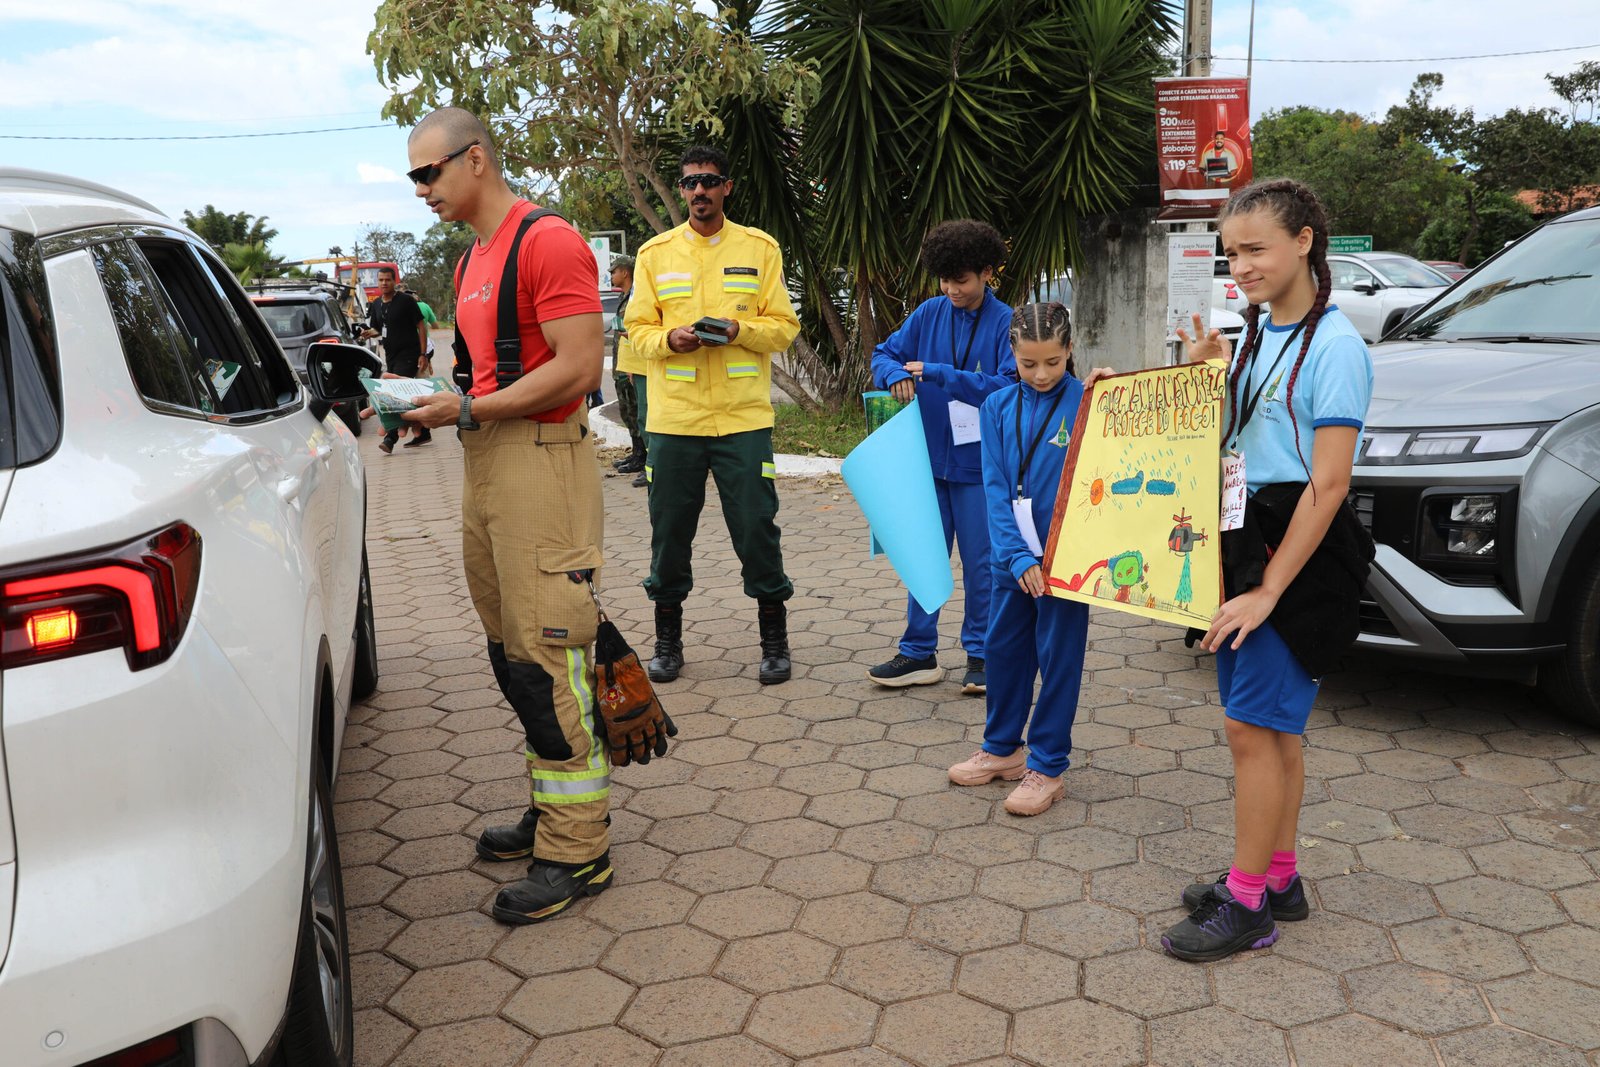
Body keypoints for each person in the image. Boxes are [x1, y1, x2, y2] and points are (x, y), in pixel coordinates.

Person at [399, 107, 614, 924]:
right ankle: (552, 806)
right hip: (488, 462)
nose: (422, 189)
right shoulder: (471, 259)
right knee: (509, 651)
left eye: (430, 172)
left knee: (548, 649)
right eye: (414, 177)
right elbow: (480, 374)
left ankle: (579, 847)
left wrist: (468, 410)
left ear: (476, 158)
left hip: (541, 462)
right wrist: (443, 406)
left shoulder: (546, 241)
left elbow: (580, 367)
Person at [1161, 178, 1374, 962]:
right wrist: (1208, 370)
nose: (1240, 265)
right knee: (1271, 727)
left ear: (1305, 242)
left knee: (1251, 728)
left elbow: (1329, 483)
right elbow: (1241, 442)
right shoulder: (1256, 332)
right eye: (1231, 252)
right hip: (1249, 536)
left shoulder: (1338, 348)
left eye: (1254, 249)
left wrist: (1269, 589)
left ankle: (1248, 904)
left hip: (1300, 557)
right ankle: (1277, 875)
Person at [625, 145, 802, 686]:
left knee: (756, 530)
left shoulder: (760, 249)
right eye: (689, 183)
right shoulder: (655, 254)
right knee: (670, 534)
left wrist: (739, 331)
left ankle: (774, 640)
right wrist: (670, 339)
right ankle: (668, 641)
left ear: (727, 187)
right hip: (675, 422)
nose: (699, 191)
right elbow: (636, 330)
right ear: (681, 191)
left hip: (743, 421)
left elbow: (785, 326)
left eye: (709, 181)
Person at [945, 304, 1110, 816]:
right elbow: (994, 485)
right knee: (1003, 653)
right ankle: (1002, 750)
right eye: (1028, 364)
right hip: (1011, 559)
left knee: (1059, 662)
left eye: (1054, 363)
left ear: (1070, 354)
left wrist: (1114, 396)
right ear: (1011, 356)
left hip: (1067, 561)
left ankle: (1048, 766)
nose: (1041, 375)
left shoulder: (1088, 400)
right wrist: (1015, 556)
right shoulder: (994, 406)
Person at [867, 220, 1016, 695]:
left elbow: (1012, 387)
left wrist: (940, 374)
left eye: (962, 280)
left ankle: (982, 656)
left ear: (988, 273)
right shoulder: (929, 312)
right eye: (945, 279)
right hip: (928, 464)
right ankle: (918, 653)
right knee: (923, 557)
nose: (952, 289)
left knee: (983, 565)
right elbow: (882, 354)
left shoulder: (1007, 321)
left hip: (980, 469)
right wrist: (893, 375)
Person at [362, 267, 430, 452]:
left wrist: (423, 354)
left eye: (388, 280)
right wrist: (369, 333)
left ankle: (390, 438)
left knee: (396, 393)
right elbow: (378, 328)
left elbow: (421, 325)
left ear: (394, 281)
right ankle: (423, 432)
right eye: (381, 280)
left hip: (408, 354)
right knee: (401, 392)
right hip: (390, 355)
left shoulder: (406, 301)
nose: (384, 283)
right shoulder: (376, 304)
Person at [607, 257, 649, 487]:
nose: (611, 276)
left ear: (625, 272)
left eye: (614, 272)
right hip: (623, 363)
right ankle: (638, 455)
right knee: (629, 412)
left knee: (641, 414)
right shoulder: (625, 296)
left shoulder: (638, 294)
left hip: (636, 364)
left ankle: (647, 460)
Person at [398, 281, 440, 375]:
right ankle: (428, 363)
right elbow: (436, 326)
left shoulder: (398, 307)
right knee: (423, 376)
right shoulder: (424, 306)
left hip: (406, 350)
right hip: (425, 348)